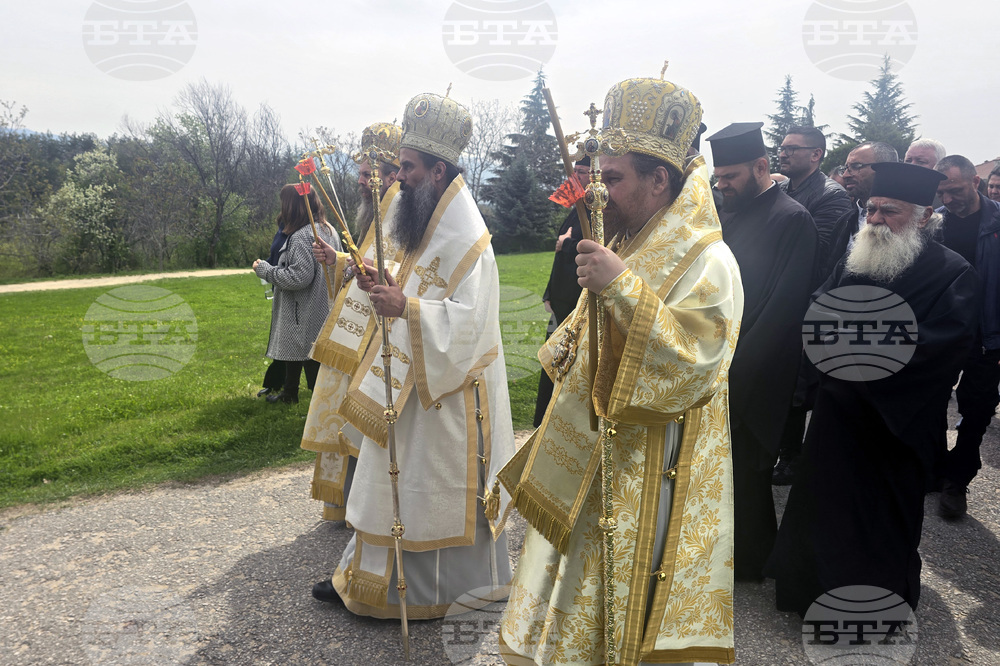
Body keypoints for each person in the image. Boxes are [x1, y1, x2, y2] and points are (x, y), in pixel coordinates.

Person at [499, 76, 744, 665]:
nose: (597, 192)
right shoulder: (630, 239)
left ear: (659, 179)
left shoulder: (710, 259)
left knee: (629, 589)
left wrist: (622, 288)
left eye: (611, 179)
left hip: (652, 461)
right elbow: (583, 336)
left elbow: (697, 363)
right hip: (592, 444)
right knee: (577, 576)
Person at [308, 93, 515, 619]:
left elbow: (472, 325)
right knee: (387, 477)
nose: (397, 178)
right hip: (408, 376)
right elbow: (416, 282)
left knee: (428, 486)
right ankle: (366, 577)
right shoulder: (425, 218)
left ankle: (432, 590)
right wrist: (385, 284)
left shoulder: (470, 240)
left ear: (438, 170)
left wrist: (408, 307)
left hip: (447, 394)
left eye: (407, 168)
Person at [765, 162, 978, 615]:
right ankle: (807, 591)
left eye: (890, 211)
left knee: (879, 518)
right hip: (837, 414)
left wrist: (853, 350)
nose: (876, 220)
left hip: (897, 423)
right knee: (824, 506)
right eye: (872, 209)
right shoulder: (857, 258)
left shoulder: (952, 271)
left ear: (924, 216)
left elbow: (943, 344)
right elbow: (818, 306)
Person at [707, 122, 817, 581]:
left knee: (748, 465)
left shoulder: (792, 218)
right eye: (718, 177)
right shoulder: (729, 211)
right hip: (719, 356)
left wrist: (735, 366)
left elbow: (785, 307)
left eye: (730, 176)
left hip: (758, 363)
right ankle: (719, 550)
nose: (722, 185)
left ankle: (750, 560)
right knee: (719, 464)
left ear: (760, 166)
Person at [301, 122, 402, 521]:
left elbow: (403, 270)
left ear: (390, 176)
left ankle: (369, 505)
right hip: (359, 329)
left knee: (366, 412)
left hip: (382, 332)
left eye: (366, 174)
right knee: (345, 408)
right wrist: (340, 259)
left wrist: (359, 267)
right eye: (360, 174)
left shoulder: (401, 213)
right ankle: (348, 501)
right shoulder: (379, 211)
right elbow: (369, 260)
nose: (360, 181)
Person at [772, 125, 851, 484]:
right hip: (780, 293)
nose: (783, 153)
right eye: (782, 147)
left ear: (816, 154)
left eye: (792, 148)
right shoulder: (783, 189)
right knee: (781, 377)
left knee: (799, 383)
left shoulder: (831, 197)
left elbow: (816, 253)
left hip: (807, 297)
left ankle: (793, 455)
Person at [934, 154, 1000, 519]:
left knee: (976, 411)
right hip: (942, 333)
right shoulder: (935, 223)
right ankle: (931, 467)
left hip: (987, 336)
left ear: (975, 181)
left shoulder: (996, 221)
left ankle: (958, 480)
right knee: (931, 402)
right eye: (942, 193)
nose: (948, 200)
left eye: (955, 190)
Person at [252, 185, 338, 404]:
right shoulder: (328, 229)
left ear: (291, 206)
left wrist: (264, 270)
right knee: (299, 349)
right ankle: (290, 393)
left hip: (306, 308)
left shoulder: (301, 236)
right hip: (324, 304)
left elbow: (298, 278)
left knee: (310, 355)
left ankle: (322, 406)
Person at [532, 157, 590, 427]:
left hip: (578, 301)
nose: (576, 177)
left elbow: (597, 246)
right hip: (560, 299)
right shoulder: (577, 207)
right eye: (574, 171)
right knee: (552, 358)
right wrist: (548, 292)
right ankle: (545, 420)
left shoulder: (598, 209)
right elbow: (559, 255)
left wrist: (566, 244)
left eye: (582, 172)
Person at [826, 142, 899, 270]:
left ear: (885, 169)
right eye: (846, 168)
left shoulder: (904, 224)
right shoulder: (844, 221)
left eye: (856, 166)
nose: (846, 175)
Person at [257, 217, 288, 398]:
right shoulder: (282, 228)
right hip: (280, 290)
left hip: (294, 293)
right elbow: (276, 258)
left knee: (289, 342)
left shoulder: (300, 231)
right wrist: (263, 265)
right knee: (282, 340)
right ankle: (276, 384)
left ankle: (314, 387)